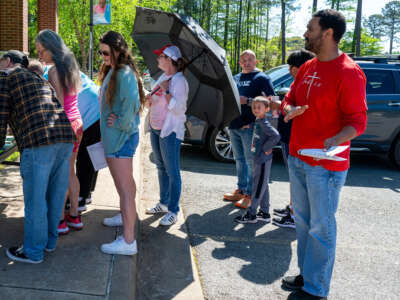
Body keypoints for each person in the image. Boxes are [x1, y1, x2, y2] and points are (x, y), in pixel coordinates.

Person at [276, 10, 367, 300]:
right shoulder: (307, 67)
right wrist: (288, 109)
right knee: (302, 222)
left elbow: (358, 121)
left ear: (327, 33)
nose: (305, 33)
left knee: (321, 226)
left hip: (326, 165)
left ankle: (316, 290)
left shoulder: (349, 72)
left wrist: (337, 138)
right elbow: (289, 98)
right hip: (298, 157)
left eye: (310, 28)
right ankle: (307, 276)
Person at [0, 50, 75, 263]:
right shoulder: (36, 77)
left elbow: (1, 115)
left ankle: (32, 251)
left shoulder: (5, 77)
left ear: (7, 61)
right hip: (64, 137)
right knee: (55, 196)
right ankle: (49, 243)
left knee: (35, 200)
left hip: (38, 141)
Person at [97, 31, 145, 255]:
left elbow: (132, 106)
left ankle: (128, 241)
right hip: (117, 139)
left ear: (117, 50)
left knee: (125, 189)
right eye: (101, 52)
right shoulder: (116, 70)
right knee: (124, 186)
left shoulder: (124, 73)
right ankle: (124, 216)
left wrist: (118, 124)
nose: (103, 56)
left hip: (120, 139)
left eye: (106, 52)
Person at [35, 29, 83, 235]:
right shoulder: (71, 67)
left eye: (41, 51)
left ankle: (60, 221)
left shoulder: (54, 71)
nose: (39, 56)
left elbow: (59, 105)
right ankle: (74, 215)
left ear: (51, 48)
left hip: (65, 125)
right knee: (71, 171)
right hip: (78, 122)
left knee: (60, 175)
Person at [223, 50, 275, 209]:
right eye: (243, 60)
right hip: (235, 125)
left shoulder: (261, 78)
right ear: (239, 63)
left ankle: (250, 195)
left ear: (256, 61)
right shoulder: (236, 78)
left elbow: (271, 102)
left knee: (251, 162)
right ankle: (241, 189)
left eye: (250, 59)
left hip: (251, 127)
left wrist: (249, 101)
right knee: (239, 160)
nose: (246, 62)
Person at [144, 44, 189, 226]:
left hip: (169, 131)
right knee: (161, 167)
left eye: (160, 57)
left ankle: (173, 210)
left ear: (169, 60)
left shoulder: (179, 81)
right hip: (156, 128)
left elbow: (179, 109)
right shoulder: (163, 76)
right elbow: (155, 101)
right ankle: (163, 203)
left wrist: (168, 90)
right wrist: (149, 99)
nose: (158, 59)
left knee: (172, 171)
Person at [272, 49, 315, 229]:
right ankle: (292, 207)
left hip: (295, 139)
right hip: (288, 137)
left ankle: (295, 215)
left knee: (297, 179)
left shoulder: (309, 86)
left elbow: (300, 112)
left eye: (293, 67)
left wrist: (283, 107)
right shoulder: (297, 84)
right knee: (293, 177)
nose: (290, 70)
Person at [234, 96, 280, 224]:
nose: (255, 109)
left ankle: (252, 213)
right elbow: (259, 129)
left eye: (259, 107)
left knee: (257, 186)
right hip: (258, 158)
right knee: (262, 185)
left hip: (262, 159)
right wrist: (249, 126)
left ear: (267, 109)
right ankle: (264, 213)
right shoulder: (259, 121)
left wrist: (266, 148)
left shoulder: (264, 122)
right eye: (254, 107)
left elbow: (276, 136)